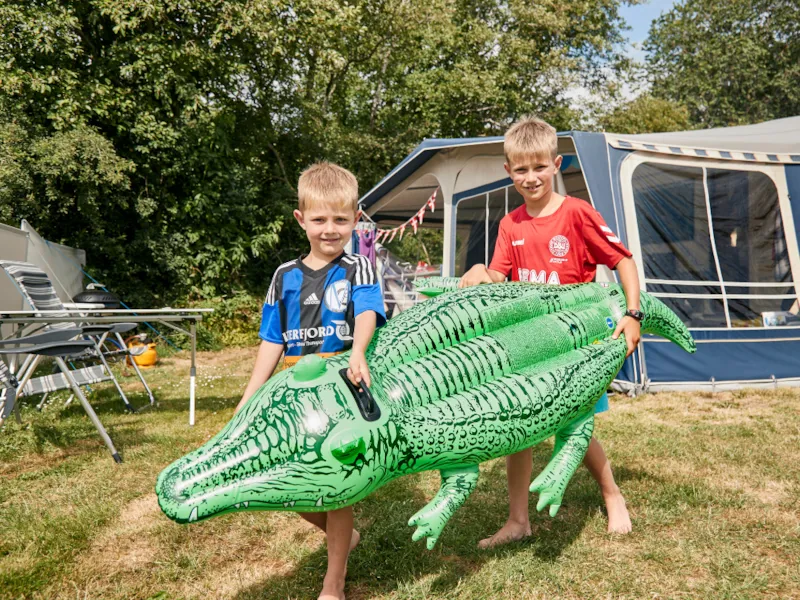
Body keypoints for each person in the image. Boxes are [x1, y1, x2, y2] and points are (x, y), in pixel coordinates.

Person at [459, 116, 642, 545]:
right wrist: (478, 271)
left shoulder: (578, 214)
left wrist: (632, 313)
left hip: (578, 343)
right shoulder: (510, 225)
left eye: (539, 166)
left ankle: (612, 494)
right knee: (516, 424)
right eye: (520, 169)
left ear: (556, 164)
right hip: (529, 342)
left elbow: (623, 260)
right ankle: (518, 521)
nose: (531, 177)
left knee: (573, 423)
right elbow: (499, 279)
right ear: (508, 172)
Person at [235, 161, 386, 600]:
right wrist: (251, 394)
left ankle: (333, 580)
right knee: (293, 483)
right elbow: (271, 339)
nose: (330, 229)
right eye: (319, 219)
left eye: (341, 219)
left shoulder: (360, 266)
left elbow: (366, 314)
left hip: (341, 391)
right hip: (297, 395)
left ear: (355, 220)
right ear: (301, 219)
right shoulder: (284, 276)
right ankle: (347, 537)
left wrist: (357, 352)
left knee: (336, 488)